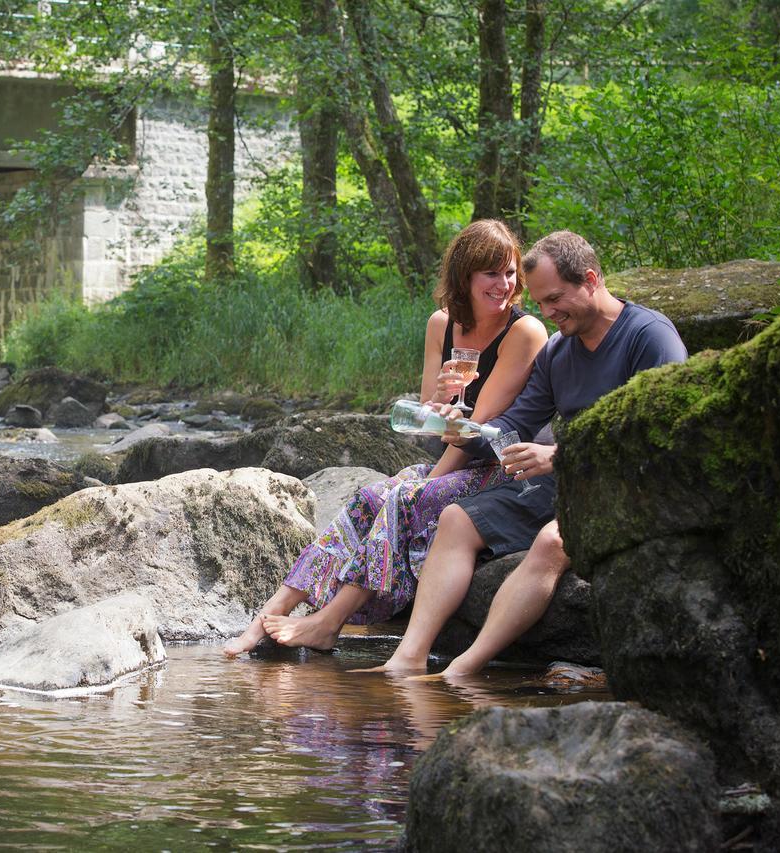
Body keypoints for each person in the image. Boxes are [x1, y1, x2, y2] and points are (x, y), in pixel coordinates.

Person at [368, 230, 688, 677]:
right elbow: (516, 422)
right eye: (539, 302)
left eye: (555, 299)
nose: (548, 313)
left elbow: (665, 434)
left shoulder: (649, 337)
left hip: (628, 485)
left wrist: (558, 455)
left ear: (591, 279)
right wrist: (465, 431)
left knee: (552, 541)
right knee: (457, 518)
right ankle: (409, 656)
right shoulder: (560, 349)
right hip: (566, 480)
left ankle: (461, 670)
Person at [223, 219, 548, 657]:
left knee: (402, 500)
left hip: (502, 467)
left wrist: (427, 481)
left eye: (510, 273)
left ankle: (327, 621)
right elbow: (427, 419)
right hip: (455, 457)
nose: (504, 285)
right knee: (366, 498)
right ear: (464, 276)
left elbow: (477, 430)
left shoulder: (525, 332)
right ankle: (264, 616)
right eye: (491, 273)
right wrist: (440, 396)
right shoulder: (442, 324)